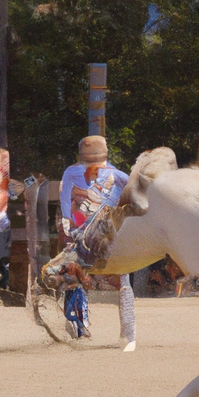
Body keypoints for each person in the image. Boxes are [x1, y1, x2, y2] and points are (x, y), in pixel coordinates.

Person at [58, 135, 136, 348]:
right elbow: (67, 200)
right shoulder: (114, 175)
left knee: (120, 278)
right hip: (85, 230)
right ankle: (82, 324)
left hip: (105, 231)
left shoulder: (113, 175)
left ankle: (127, 332)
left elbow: (134, 197)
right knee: (77, 272)